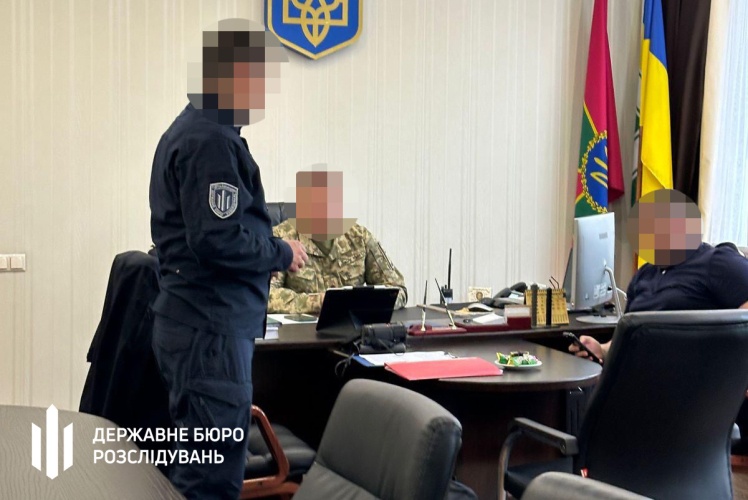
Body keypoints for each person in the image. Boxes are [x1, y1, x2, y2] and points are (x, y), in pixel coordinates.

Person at [149, 19, 308, 499]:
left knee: (198, 472)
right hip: (210, 333)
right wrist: (281, 251)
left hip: (198, 327)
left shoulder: (197, 129)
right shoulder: (211, 139)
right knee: (211, 481)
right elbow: (217, 239)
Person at [570, 189, 748, 363]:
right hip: (637, 371)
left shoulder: (715, 261)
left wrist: (726, 353)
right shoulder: (644, 274)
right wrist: (602, 349)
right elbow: (627, 337)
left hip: (690, 373)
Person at [267, 169, 408, 314]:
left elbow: (397, 289)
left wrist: (361, 302)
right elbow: (267, 296)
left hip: (352, 324)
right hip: (303, 326)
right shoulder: (280, 238)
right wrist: (321, 302)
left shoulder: (359, 237)